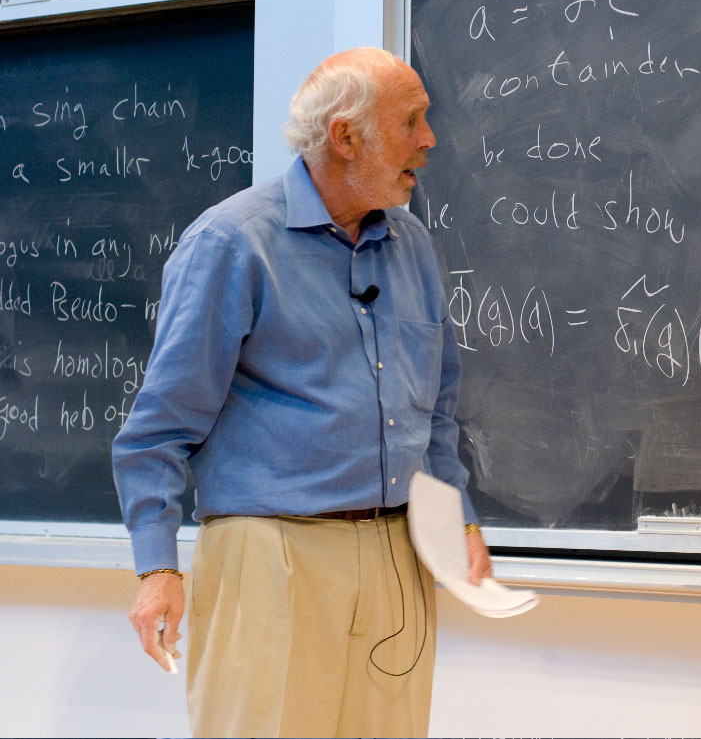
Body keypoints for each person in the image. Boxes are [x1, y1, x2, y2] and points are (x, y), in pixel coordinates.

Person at [112, 47, 490, 738]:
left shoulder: (413, 247)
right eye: (411, 120)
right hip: (271, 555)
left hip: (396, 557)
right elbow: (157, 429)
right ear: (346, 137)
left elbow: (435, 413)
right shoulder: (231, 244)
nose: (430, 139)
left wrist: (458, 521)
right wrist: (157, 565)